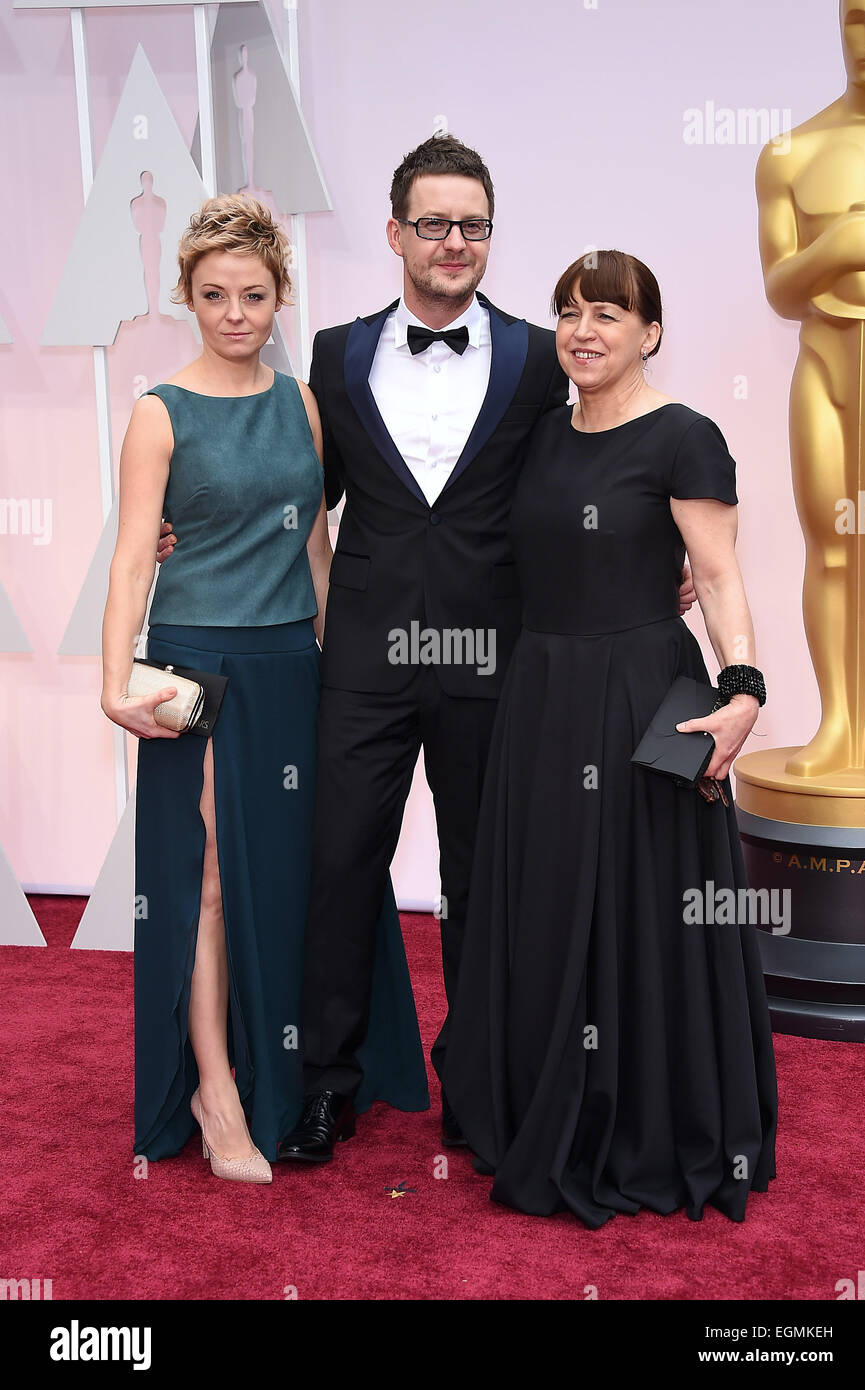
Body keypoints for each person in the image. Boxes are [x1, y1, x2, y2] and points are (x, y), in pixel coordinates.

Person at [157, 139, 696, 1163]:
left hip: (501, 659)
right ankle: (327, 1083)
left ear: (491, 235)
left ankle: (485, 1085)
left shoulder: (544, 358)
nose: (455, 243)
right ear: (397, 230)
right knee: (338, 865)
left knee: (486, 878)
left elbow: (596, 469)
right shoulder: (337, 354)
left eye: (475, 225)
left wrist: (652, 558)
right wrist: (175, 529)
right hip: (360, 657)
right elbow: (292, 499)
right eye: (435, 223)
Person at [443, 250, 778, 1227]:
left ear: (649, 331)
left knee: (646, 908)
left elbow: (714, 575)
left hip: (643, 694)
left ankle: (649, 1122)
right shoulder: (537, 438)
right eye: (569, 312)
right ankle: (548, 1105)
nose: (584, 330)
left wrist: (743, 685)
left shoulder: (685, 436)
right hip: (541, 693)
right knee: (547, 900)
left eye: (608, 313)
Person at [101, 194, 427, 1184]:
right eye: (213, 295)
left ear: (280, 296)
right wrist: (113, 680)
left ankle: (300, 1064)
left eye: (252, 293)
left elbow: (317, 548)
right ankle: (216, 1090)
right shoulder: (159, 413)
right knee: (201, 882)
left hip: (296, 665)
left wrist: (350, 660)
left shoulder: (301, 403)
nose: (234, 312)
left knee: (302, 872)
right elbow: (130, 562)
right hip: (196, 667)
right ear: (187, 300)